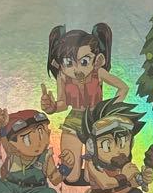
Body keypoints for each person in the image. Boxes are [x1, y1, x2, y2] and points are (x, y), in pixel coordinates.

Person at [42, 23, 127, 183]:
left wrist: (108, 109)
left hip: (96, 124)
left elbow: (123, 88)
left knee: (91, 177)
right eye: (69, 62)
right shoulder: (62, 76)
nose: (77, 69)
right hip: (73, 122)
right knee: (71, 177)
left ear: (96, 58)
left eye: (84, 61)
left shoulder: (99, 72)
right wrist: (52, 107)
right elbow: (63, 103)